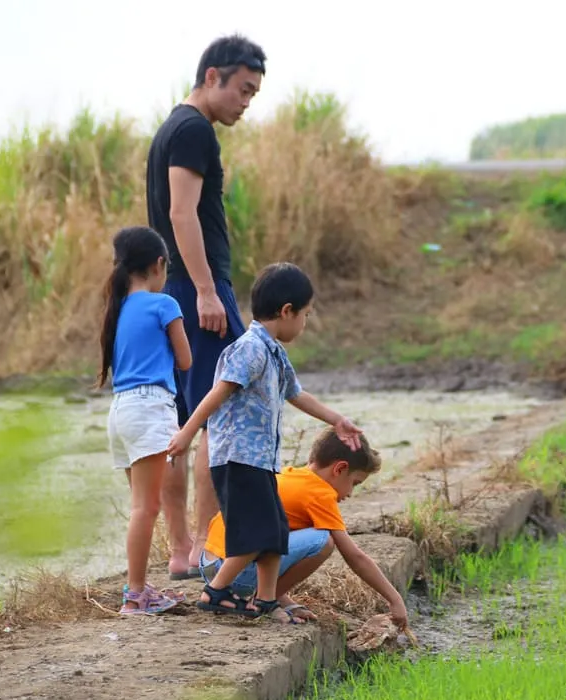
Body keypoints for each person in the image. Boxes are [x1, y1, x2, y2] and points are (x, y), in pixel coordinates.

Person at [166, 262, 365, 619]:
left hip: (261, 460)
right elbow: (218, 393)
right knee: (257, 534)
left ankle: (266, 600)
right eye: (305, 315)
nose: (304, 324)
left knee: (274, 534)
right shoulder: (250, 349)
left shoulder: (275, 353)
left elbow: (297, 395)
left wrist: (336, 419)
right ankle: (214, 591)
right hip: (238, 458)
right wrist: (188, 432)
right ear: (287, 311)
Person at [146, 33, 268, 580]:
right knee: (216, 416)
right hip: (197, 291)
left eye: (254, 94)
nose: (246, 102)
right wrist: (204, 289)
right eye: (243, 90)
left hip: (178, 289)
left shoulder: (174, 126)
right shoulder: (194, 129)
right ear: (212, 76)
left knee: (181, 420)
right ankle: (201, 548)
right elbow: (180, 213)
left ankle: (181, 551)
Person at [199, 428, 409, 627]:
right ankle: (265, 601)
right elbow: (355, 557)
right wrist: (394, 599)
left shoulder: (290, 474)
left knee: (277, 531)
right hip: (236, 576)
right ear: (340, 469)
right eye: (355, 483)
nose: (351, 493)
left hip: (209, 564)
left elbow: (270, 546)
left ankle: (274, 597)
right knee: (322, 541)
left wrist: (288, 601)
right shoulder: (320, 493)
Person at [97, 226, 193, 616]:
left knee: (141, 506)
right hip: (151, 408)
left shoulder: (117, 308)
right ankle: (135, 594)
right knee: (145, 509)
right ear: (159, 265)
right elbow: (186, 360)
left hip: (120, 412)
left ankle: (138, 590)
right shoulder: (164, 304)